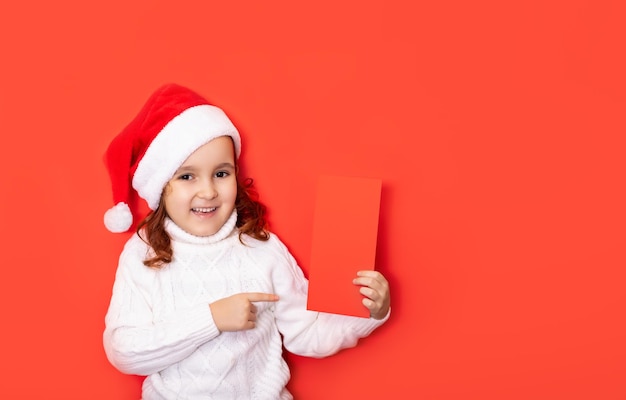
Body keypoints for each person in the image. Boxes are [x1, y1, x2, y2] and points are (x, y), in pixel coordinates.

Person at [102, 83, 391, 400]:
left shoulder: (260, 248)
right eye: (187, 176)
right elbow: (125, 352)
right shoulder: (144, 254)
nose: (209, 191)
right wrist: (212, 320)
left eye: (221, 174)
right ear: (159, 186)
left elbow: (308, 332)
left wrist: (367, 311)